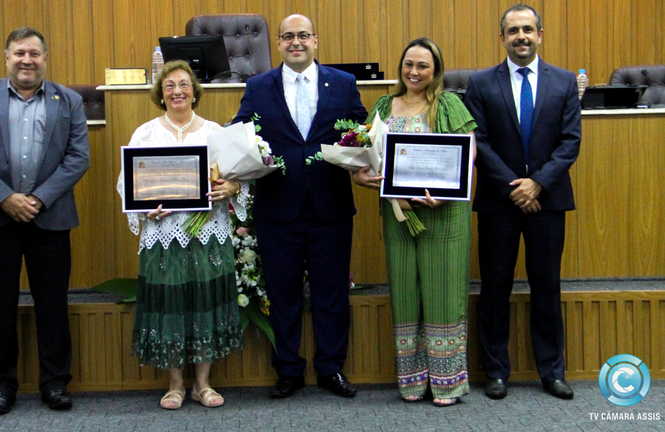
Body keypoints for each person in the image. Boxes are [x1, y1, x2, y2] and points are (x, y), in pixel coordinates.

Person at [232, 14, 367, 399]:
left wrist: (361, 160)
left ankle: (331, 369)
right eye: (288, 36)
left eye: (303, 35)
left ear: (315, 41)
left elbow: (358, 131)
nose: (296, 42)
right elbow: (242, 131)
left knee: (331, 293)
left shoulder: (343, 84)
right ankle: (288, 370)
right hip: (278, 207)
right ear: (277, 44)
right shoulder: (259, 86)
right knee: (283, 294)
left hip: (332, 206)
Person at [0, 27, 90, 416]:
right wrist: (5, 198)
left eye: (34, 53)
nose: (26, 60)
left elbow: (77, 157)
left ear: (45, 58)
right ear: (7, 57)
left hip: (50, 216)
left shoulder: (68, 100)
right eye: (19, 53)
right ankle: (0, 385)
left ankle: (54, 383)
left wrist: (37, 199)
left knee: (53, 303)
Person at [464, 4, 581, 400]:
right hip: (500, 202)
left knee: (547, 287)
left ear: (540, 34)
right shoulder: (481, 83)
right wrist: (516, 186)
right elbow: (478, 140)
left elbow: (570, 143)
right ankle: (496, 372)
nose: (521, 37)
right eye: (513, 30)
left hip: (548, 203)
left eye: (528, 29)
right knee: (495, 288)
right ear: (502, 38)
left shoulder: (564, 82)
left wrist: (537, 185)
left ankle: (552, 371)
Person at [353, 38, 477, 407]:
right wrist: (360, 177)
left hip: (444, 215)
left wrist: (448, 193)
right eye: (409, 64)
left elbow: (467, 160)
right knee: (405, 294)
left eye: (423, 66)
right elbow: (364, 157)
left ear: (435, 71)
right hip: (398, 216)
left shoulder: (449, 104)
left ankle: (447, 382)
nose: (414, 72)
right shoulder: (382, 106)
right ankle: (412, 382)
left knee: (442, 295)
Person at [117, 60, 246, 410]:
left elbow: (238, 180)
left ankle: (202, 384)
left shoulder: (214, 133)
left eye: (184, 84)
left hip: (207, 233)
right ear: (161, 93)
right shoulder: (145, 134)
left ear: (195, 91)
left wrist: (231, 187)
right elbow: (126, 184)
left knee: (205, 302)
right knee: (169, 305)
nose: (177, 91)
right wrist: (144, 208)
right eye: (170, 85)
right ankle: (175, 384)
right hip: (163, 234)